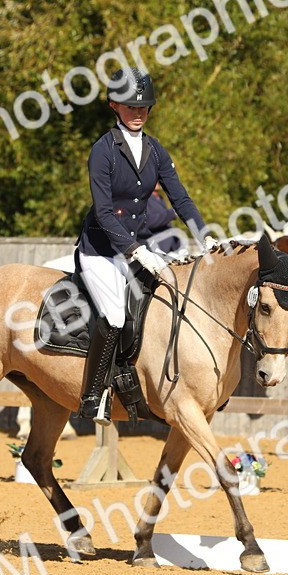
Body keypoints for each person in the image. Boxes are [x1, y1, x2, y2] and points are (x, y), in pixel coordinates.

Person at [76, 66, 216, 424]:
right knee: (114, 315)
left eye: (143, 107)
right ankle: (93, 396)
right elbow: (104, 212)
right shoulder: (103, 151)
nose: (137, 113)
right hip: (101, 250)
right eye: (129, 107)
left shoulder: (155, 151)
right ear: (114, 106)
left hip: (137, 249)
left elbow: (180, 198)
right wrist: (135, 251)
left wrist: (206, 236)